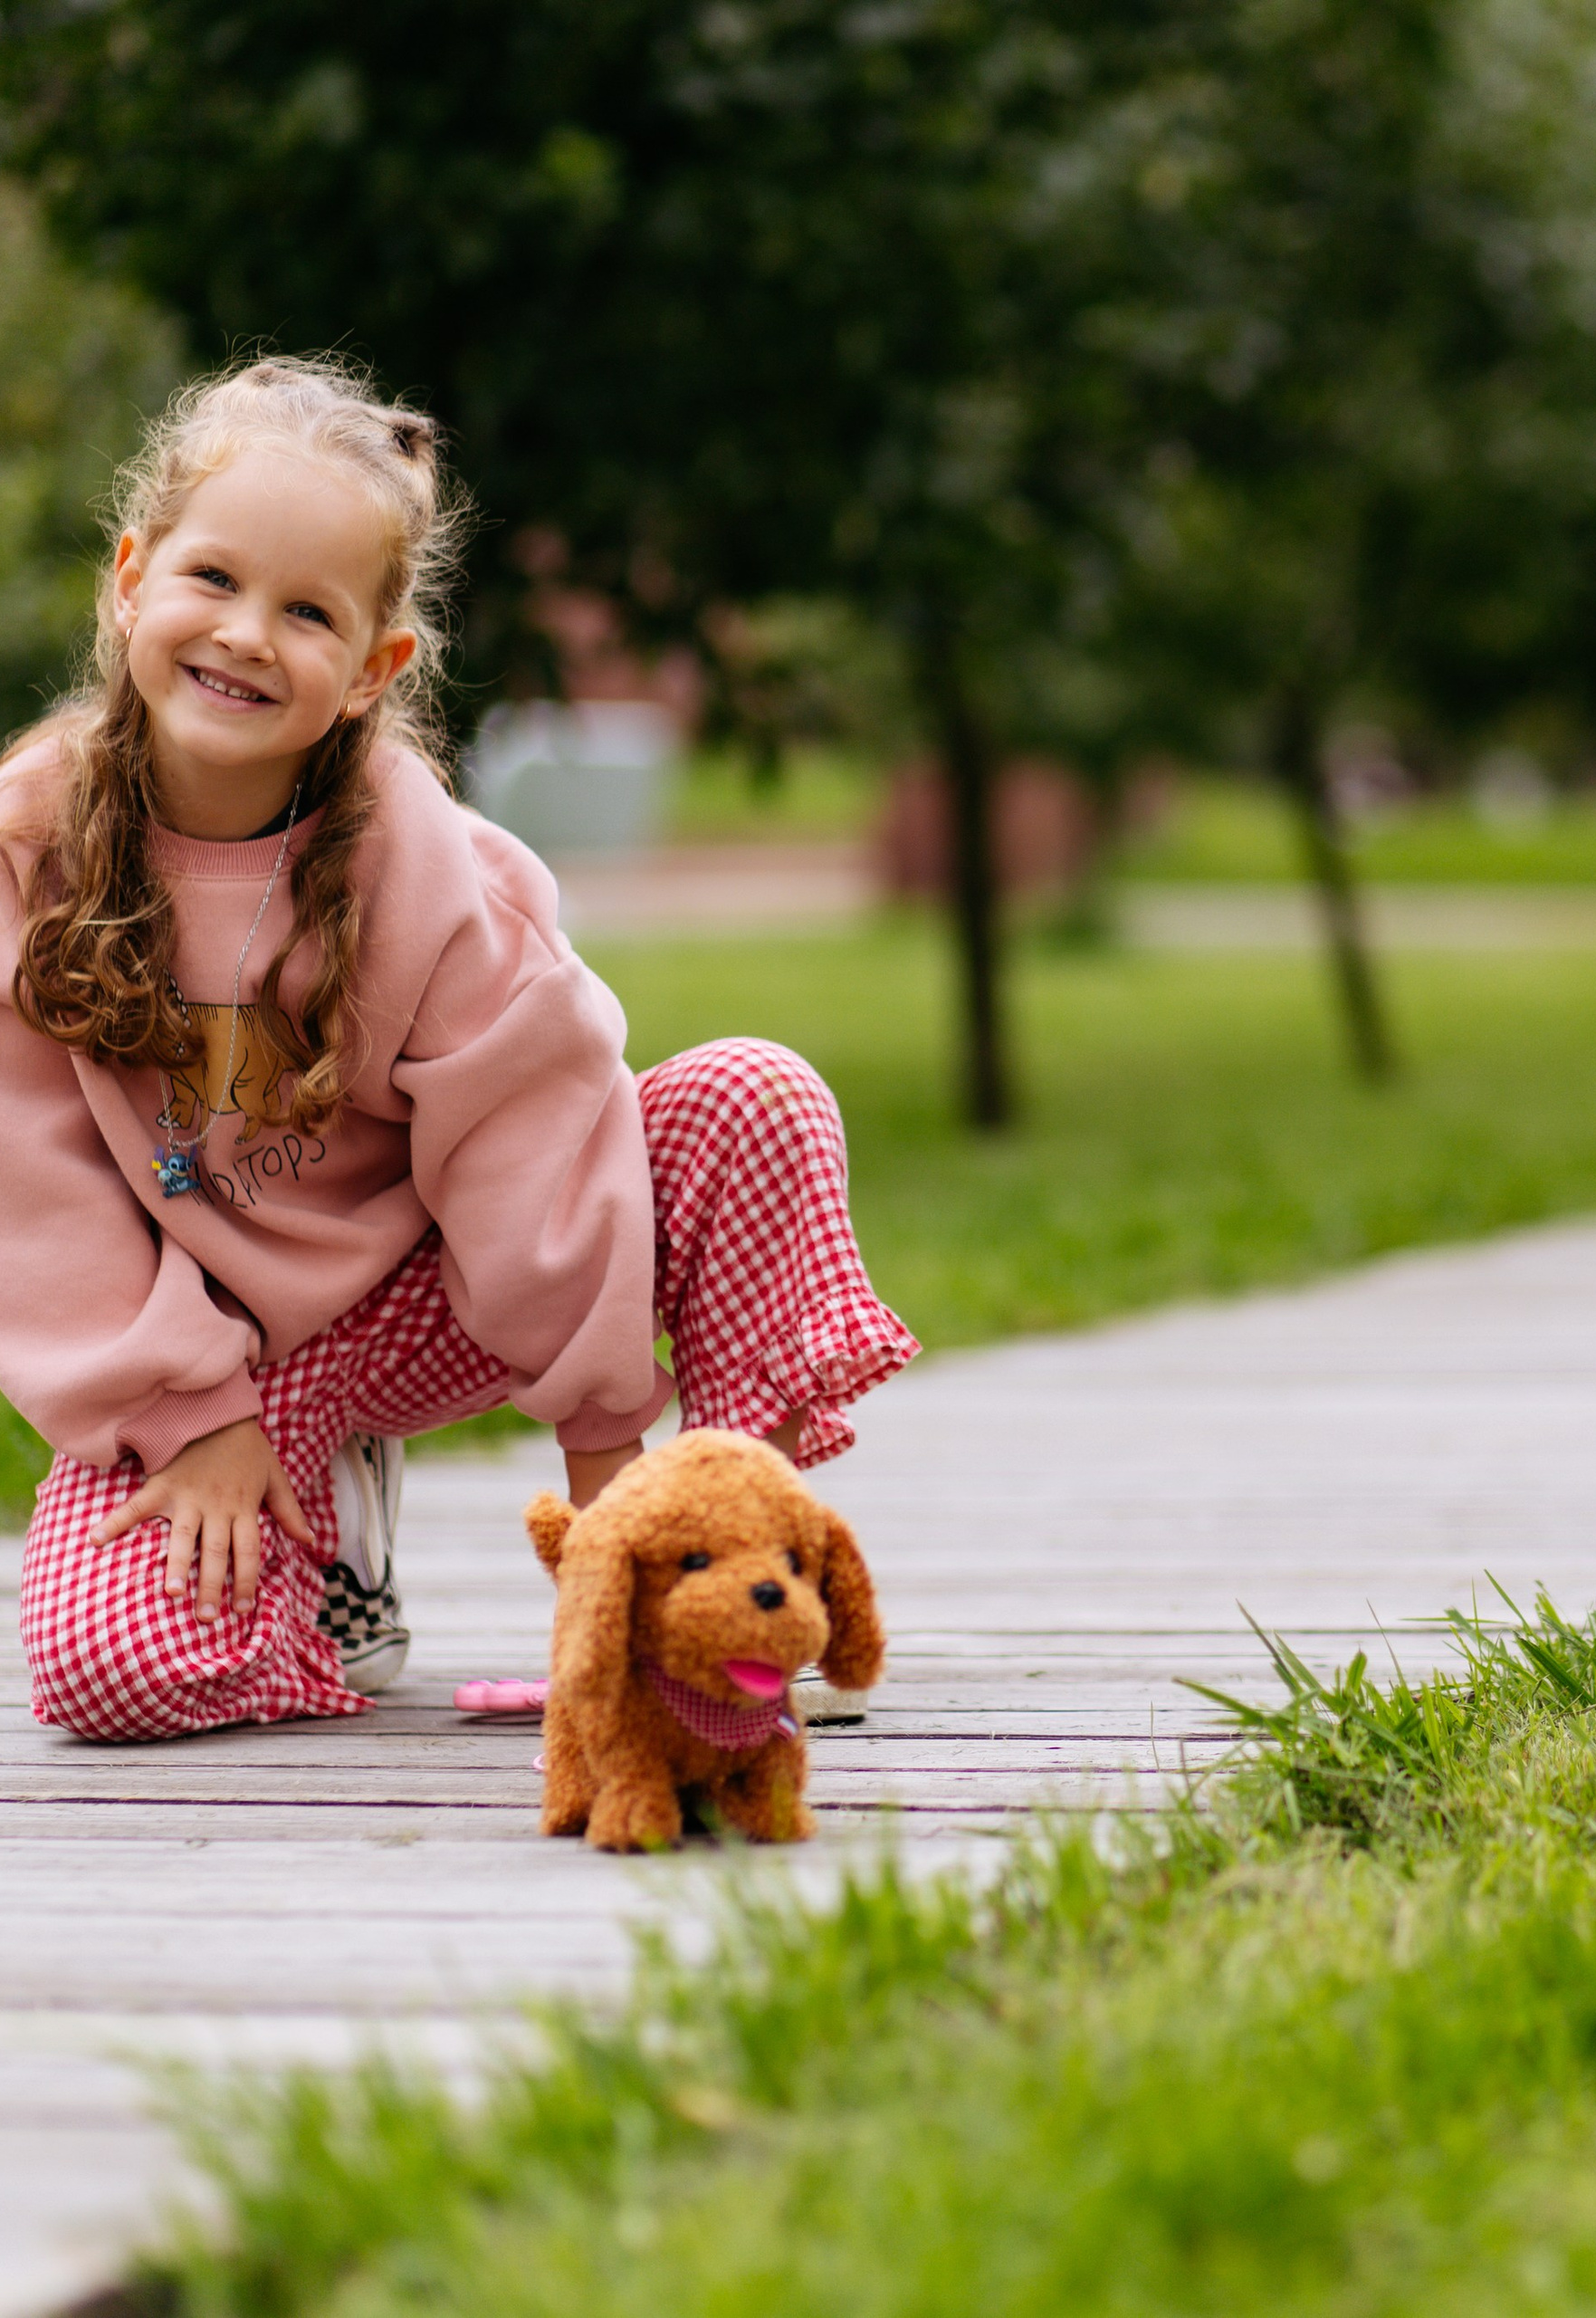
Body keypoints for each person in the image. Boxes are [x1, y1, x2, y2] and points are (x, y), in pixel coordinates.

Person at [0, 356, 916, 1743]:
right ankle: (331, 1557)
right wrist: (193, 1413)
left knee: (753, 1096)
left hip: (457, 1278)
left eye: (307, 611)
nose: (246, 635)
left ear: (374, 668)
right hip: (231, 1339)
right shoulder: (31, 847)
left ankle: (731, 1583)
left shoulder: (424, 865)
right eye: (213, 580)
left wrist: (615, 1485)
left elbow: (536, 1142)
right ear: (130, 578)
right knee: (110, 1667)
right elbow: (33, 1178)